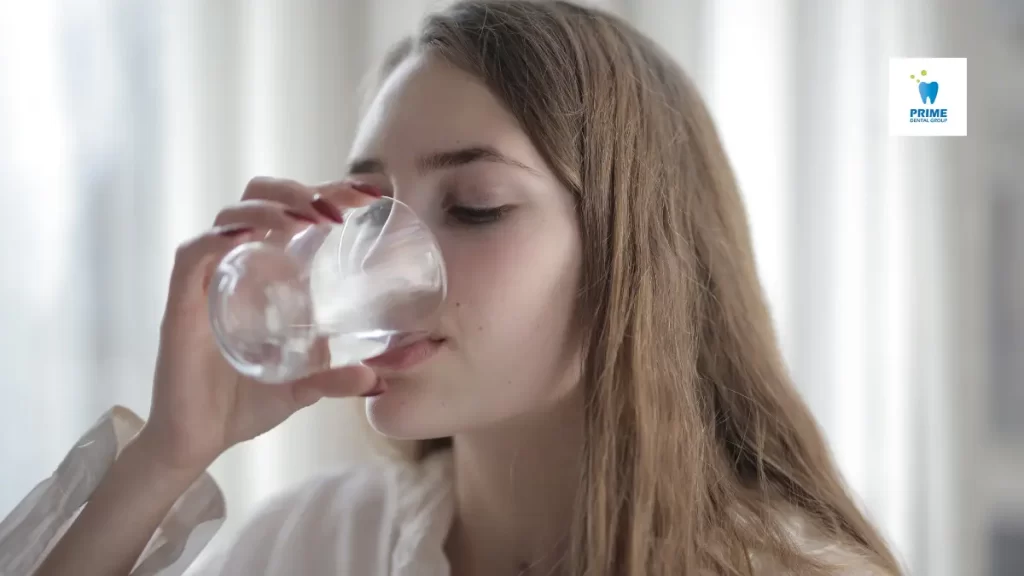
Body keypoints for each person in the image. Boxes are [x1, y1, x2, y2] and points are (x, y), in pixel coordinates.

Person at [0, 1, 903, 574]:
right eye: (372, 208)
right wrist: (166, 456)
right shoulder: (319, 545)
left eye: (473, 207)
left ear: (636, 257)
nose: (379, 264)